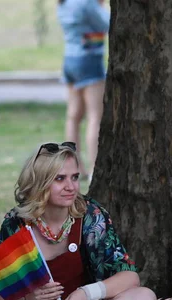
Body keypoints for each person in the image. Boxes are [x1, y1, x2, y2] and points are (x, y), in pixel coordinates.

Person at [0, 142, 156, 300]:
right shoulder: (15, 224)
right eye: (59, 179)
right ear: (39, 181)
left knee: (144, 297)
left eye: (74, 177)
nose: (71, 187)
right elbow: (0, 299)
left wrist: (88, 293)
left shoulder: (91, 215)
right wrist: (29, 297)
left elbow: (129, 277)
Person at [57, 0, 110, 181]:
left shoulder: (64, 3)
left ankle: (75, 169)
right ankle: (95, 167)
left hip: (69, 60)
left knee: (73, 116)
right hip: (89, 61)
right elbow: (107, 24)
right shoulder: (87, 3)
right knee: (95, 116)